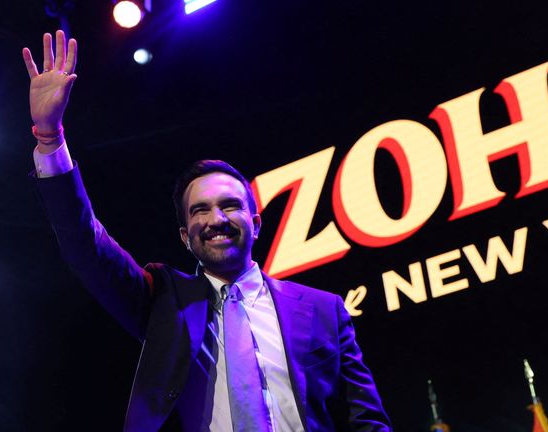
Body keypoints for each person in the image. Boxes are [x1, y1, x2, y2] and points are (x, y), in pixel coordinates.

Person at [23, 30, 391, 432]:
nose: (216, 219)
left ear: (255, 223)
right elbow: (84, 245)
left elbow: (366, 420)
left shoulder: (323, 309)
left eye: (230, 205)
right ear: (185, 236)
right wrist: (50, 138)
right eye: (200, 210)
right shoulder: (161, 302)